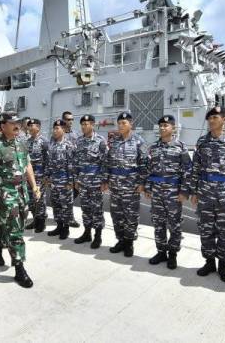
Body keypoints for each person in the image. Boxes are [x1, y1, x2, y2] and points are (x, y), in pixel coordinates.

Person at [0, 112, 41, 288]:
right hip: (6, 193)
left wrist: (34, 186)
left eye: (18, 122)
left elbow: (28, 164)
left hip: (22, 191)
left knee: (16, 226)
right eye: (13, 123)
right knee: (16, 232)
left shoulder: (21, 143)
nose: (17, 125)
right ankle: (19, 269)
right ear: (3, 126)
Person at [189, 106, 225, 282]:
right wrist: (194, 191)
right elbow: (195, 168)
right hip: (205, 193)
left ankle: (223, 265)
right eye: (210, 117)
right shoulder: (202, 142)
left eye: (216, 117)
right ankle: (209, 262)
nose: (212, 120)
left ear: (224, 119)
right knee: (206, 229)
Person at [144, 115, 191, 270]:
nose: (163, 128)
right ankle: (161, 252)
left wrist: (184, 191)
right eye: (161, 125)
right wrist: (148, 187)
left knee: (175, 225)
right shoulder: (153, 148)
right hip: (157, 192)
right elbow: (148, 170)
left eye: (166, 125)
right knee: (158, 223)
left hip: (173, 193)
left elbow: (187, 170)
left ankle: (173, 254)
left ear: (173, 128)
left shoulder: (180, 146)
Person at [101, 111, 148, 257]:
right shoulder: (114, 141)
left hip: (131, 187)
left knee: (131, 216)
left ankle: (129, 243)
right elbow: (108, 162)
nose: (121, 125)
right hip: (115, 186)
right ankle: (120, 240)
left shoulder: (139, 141)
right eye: (119, 123)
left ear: (131, 124)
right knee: (116, 215)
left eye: (124, 123)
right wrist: (106, 179)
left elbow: (145, 164)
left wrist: (141, 183)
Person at [73, 115, 107, 249]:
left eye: (87, 124)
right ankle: (87, 233)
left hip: (95, 181)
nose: (84, 126)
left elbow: (105, 162)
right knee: (85, 208)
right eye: (82, 124)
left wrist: (104, 180)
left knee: (97, 209)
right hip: (83, 181)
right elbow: (76, 162)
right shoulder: (79, 141)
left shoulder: (100, 141)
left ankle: (98, 236)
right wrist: (76, 179)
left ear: (93, 125)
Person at [46, 119, 75, 240]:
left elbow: (72, 165)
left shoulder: (69, 145)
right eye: (54, 128)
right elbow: (49, 163)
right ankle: (59, 226)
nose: (55, 130)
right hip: (54, 180)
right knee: (56, 204)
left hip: (64, 180)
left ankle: (66, 228)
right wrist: (48, 177)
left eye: (57, 128)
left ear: (64, 130)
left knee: (66, 205)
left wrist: (70, 182)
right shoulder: (51, 145)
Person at [25, 118, 49, 232]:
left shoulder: (44, 142)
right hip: (29, 176)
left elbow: (48, 160)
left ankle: (41, 221)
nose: (30, 128)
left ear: (38, 127)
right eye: (28, 126)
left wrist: (46, 176)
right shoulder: (26, 142)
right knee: (30, 199)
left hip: (40, 175)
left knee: (39, 199)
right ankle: (35, 219)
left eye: (32, 126)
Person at [61, 111, 81, 228]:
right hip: (63, 170)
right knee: (66, 194)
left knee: (75, 192)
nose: (70, 121)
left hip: (74, 170)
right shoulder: (58, 134)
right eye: (68, 119)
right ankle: (69, 218)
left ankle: (65, 212)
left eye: (72, 119)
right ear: (63, 120)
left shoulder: (76, 135)